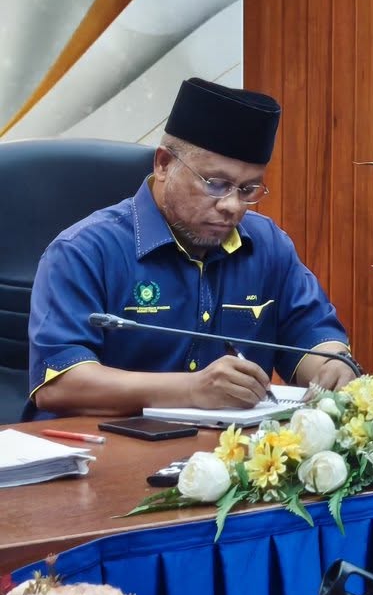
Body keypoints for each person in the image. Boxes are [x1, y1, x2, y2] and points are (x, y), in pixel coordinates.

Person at [27, 78, 356, 417]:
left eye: (248, 189)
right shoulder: (83, 251)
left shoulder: (268, 246)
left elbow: (313, 334)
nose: (232, 206)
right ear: (163, 164)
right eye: (216, 184)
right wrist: (192, 390)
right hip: (103, 444)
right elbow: (59, 383)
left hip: (230, 447)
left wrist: (332, 365)